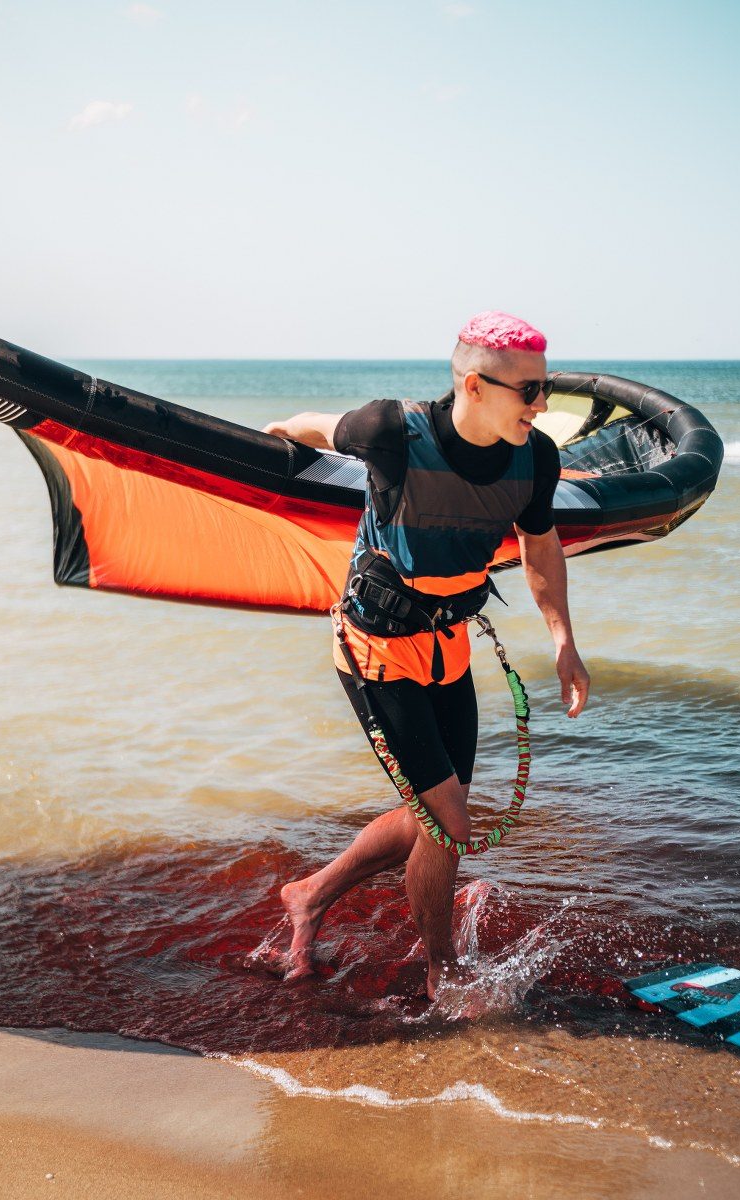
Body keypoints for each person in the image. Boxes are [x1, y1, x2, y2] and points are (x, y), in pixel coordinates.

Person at [261, 311, 590, 1000]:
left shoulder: (535, 458)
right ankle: (443, 972)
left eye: (545, 386)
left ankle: (311, 893)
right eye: (529, 390)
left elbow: (539, 548)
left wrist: (564, 643)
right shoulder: (391, 432)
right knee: (447, 819)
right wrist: (279, 434)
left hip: (448, 647)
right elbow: (323, 426)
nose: (543, 404)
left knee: (433, 814)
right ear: (475, 384)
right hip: (375, 647)